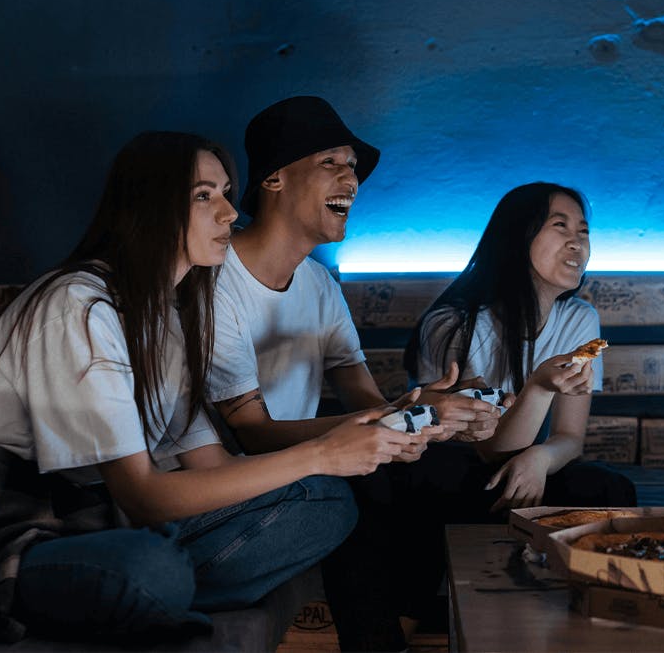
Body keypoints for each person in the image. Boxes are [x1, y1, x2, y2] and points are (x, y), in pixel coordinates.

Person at [0, 131, 413, 645]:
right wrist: (320, 453)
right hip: (12, 536)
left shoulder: (164, 319)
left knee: (328, 502)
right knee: (150, 568)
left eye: (227, 193)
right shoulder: (80, 305)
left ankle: (149, 596)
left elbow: (212, 467)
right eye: (205, 196)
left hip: (102, 526)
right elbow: (143, 497)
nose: (229, 213)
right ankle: (148, 590)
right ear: (148, 207)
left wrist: (358, 433)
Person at [207, 96, 503, 652]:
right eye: (332, 163)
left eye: (353, 167)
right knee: (353, 484)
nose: (352, 179)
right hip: (243, 475)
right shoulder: (215, 280)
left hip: (310, 456)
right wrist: (380, 430)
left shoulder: (319, 283)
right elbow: (251, 432)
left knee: (449, 469)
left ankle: (440, 627)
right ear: (273, 178)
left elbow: (366, 399)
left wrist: (427, 415)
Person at [404, 181, 637, 518]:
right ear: (517, 237)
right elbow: (488, 450)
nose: (577, 242)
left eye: (583, 232)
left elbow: (570, 437)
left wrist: (539, 460)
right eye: (560, 226)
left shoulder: (579, 319)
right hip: (457, 474)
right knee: (435, 470)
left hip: (526, 466)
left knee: (606, 486)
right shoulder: (454, 323)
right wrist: (540, 387)